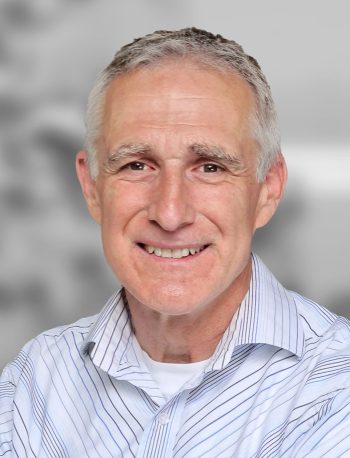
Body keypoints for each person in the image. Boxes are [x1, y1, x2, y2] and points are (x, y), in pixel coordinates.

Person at [1, 27, 350, 457]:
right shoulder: (32, 384)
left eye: (209, 168)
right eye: (136, 165)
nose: (169, 213)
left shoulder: (338, 385)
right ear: (91, 187)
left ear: (267, 190)